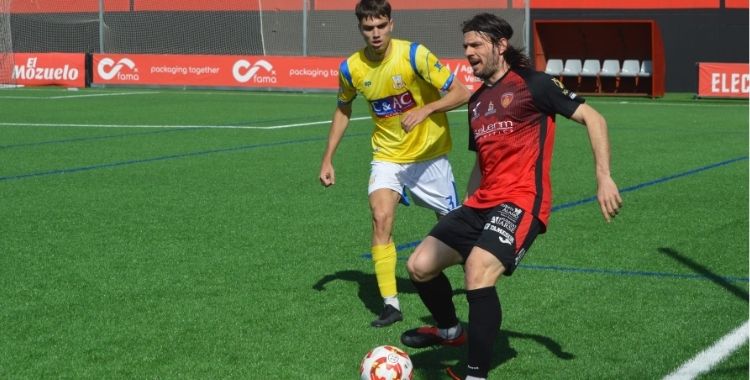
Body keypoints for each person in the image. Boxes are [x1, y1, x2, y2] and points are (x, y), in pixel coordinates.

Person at [399, 13, 623, 380]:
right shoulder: (476, 103)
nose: (468, 53)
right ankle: (451, 331)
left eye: (476, 45)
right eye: (465, 46)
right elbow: (481, 163)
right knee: (419, 266)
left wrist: (603, 177)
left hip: (522, 200)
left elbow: (594, 118)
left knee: (478, 271)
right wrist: (465, 208)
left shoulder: (534, 84)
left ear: (500, 46)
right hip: (480, 203)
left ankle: (475, 375)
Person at [318, 0, 472, 328]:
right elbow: (343, 109)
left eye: (380, 26)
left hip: (429, 157)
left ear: (391, 24)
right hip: (387, 156)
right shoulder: (351, 68)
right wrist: (328, 158)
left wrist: (427, 109)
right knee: (380, 216)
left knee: (456, 230)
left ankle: (476, 281)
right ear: (360, 29)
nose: (375, 34)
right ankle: (391, 304)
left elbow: (462, 92)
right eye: (368, 28)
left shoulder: (414, 54)